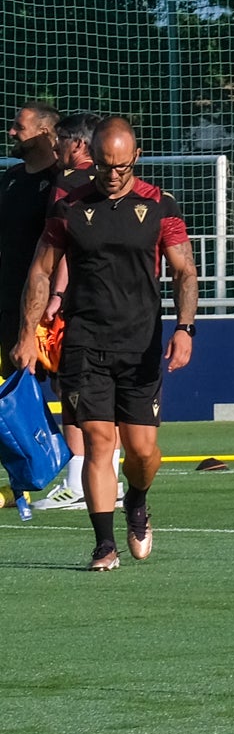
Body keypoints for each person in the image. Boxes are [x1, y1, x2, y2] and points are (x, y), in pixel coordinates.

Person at [11, 115, 194, 571]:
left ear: (136, 155)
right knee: (97, 441)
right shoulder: (68, 206)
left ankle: (137, 498)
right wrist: (26, 335)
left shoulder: (160, 205)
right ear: (93, 156)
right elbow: (40, 270)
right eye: (104, 166)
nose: (112, 175)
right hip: (84, 342)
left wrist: (185, 328)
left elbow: (184, 271)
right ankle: (103, 544)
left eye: (120, 166)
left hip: (141, 343)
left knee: (143, 451)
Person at [1, 103, 83, 512]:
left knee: (71, 391)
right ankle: (21, 483)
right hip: (7, 305)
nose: (12, 133)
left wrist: (54, 299)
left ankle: (82, 479)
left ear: (47, 135)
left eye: (19, 127)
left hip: (51, 311)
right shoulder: (11, 179)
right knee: (7, 396)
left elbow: (63, 249)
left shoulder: (62, 183)